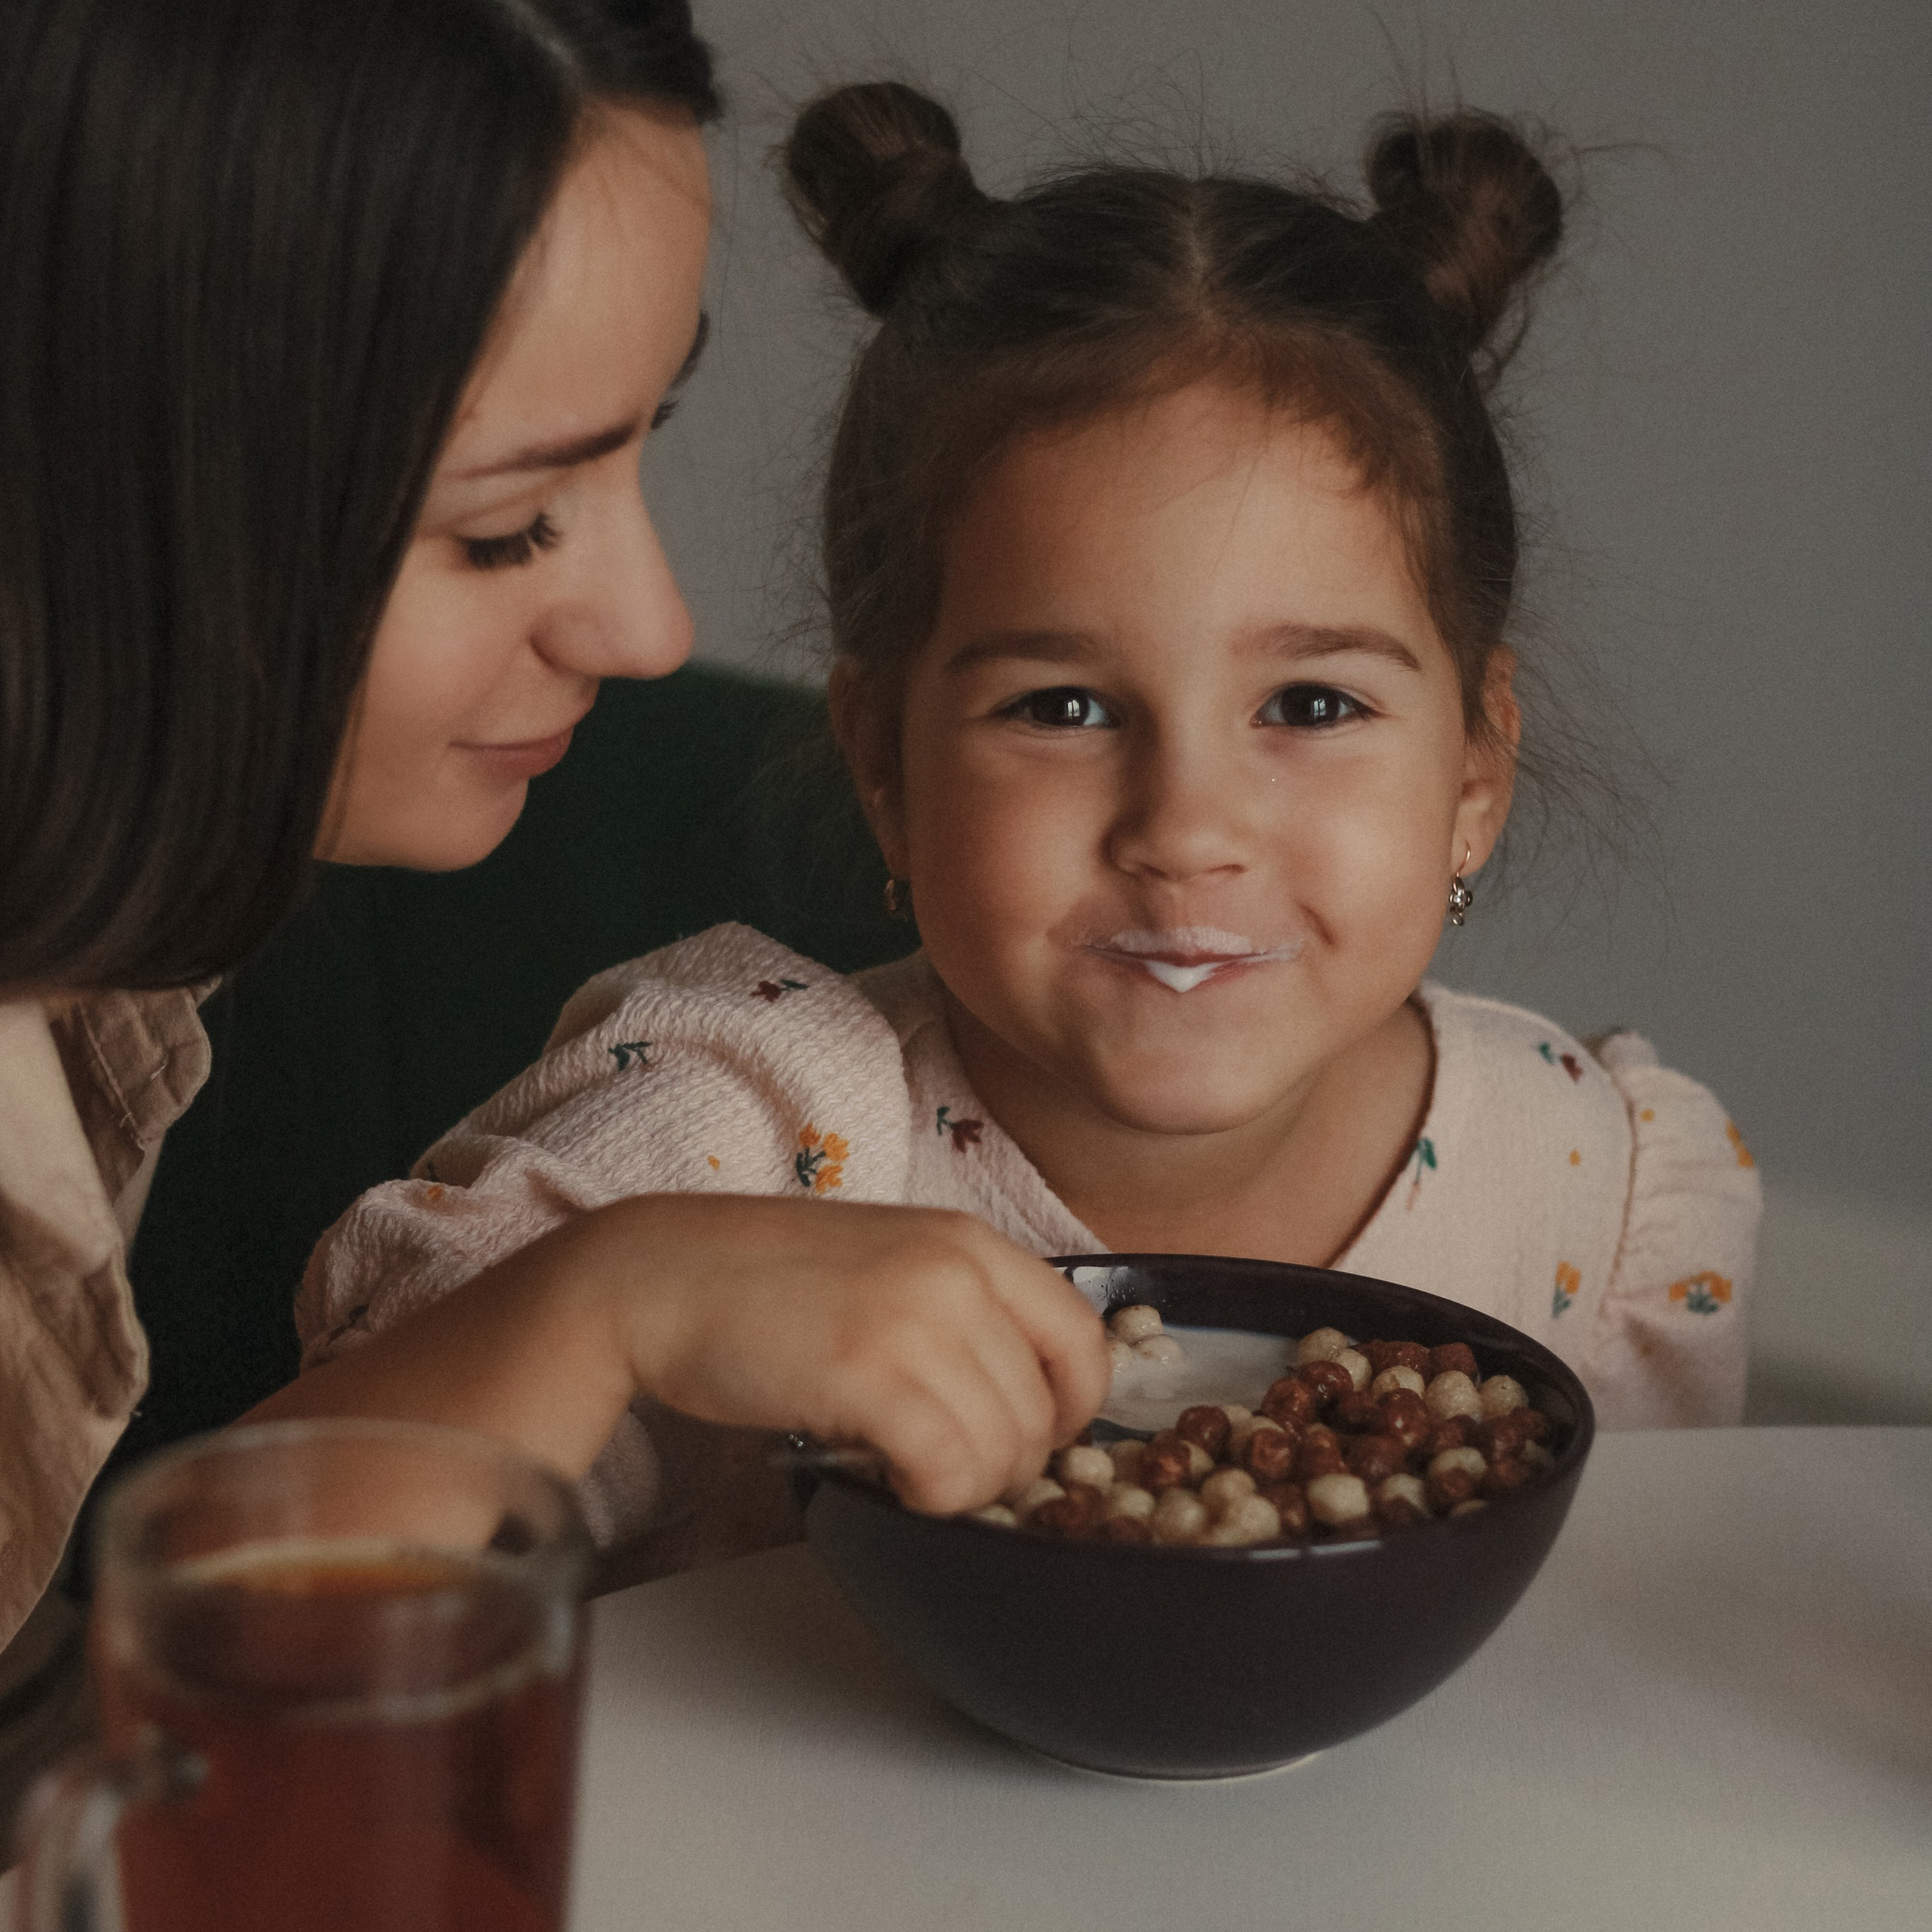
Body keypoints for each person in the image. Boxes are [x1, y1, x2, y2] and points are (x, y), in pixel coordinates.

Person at [297, 82, 1761, 1552]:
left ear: (1469, 780)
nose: (1185, 829)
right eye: (1061, 706)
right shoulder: (730, 1144)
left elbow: (1631, 1678)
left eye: (1309, 705)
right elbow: (261, 1582)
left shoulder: (1598, 1190)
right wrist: (606, 1301)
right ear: (883, 763)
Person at [0, 14, 1105, 1817]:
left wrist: (611, 1290)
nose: (648, 621)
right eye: (510, 522)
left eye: (639, 444)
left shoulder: (90, 987)